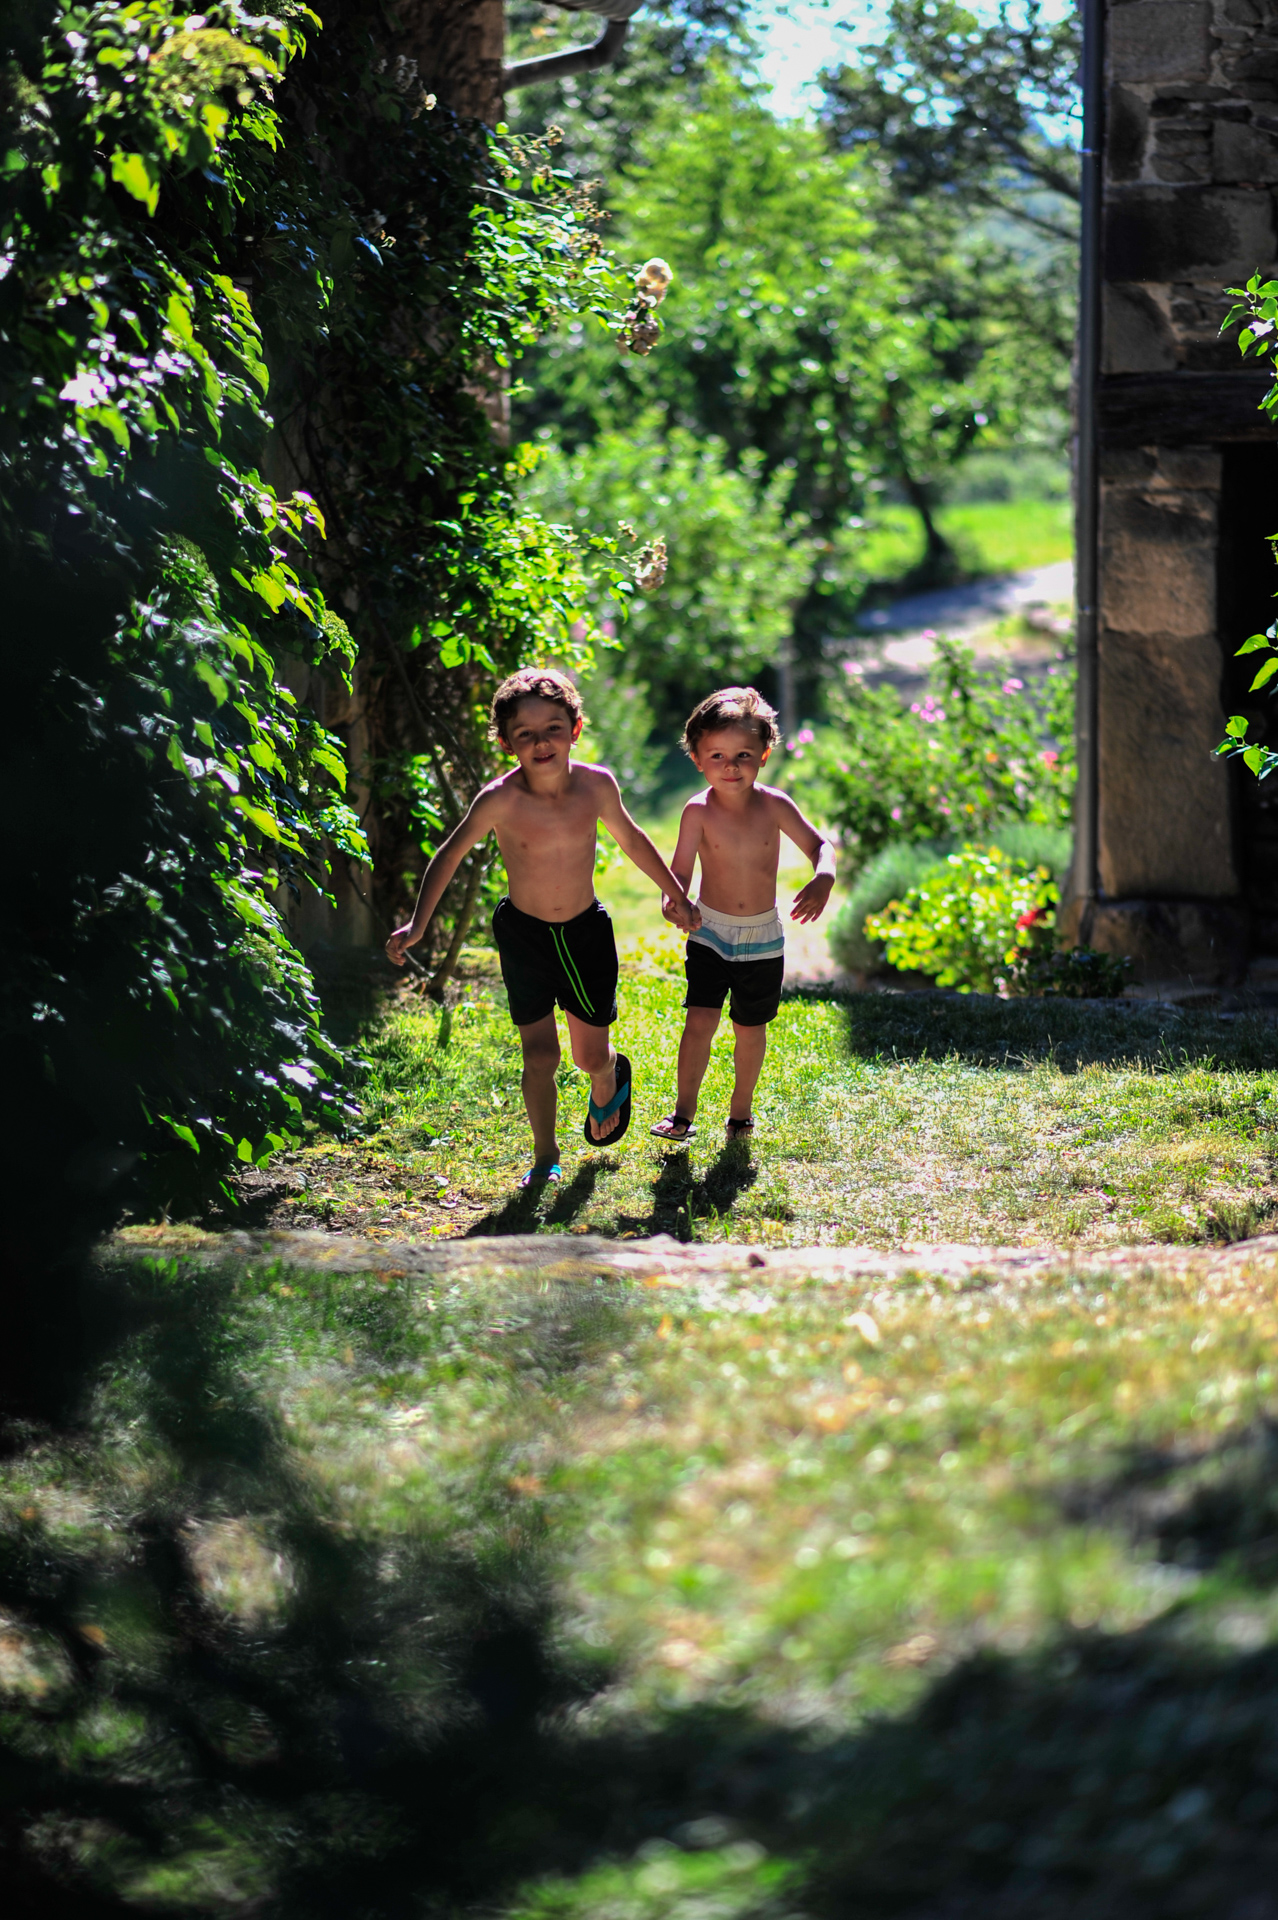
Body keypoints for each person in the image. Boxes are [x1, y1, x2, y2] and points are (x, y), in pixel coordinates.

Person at [386, 667, 699, 1187]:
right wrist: (419, 923)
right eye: (525, 733)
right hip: (524, 935)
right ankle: (545, 1155)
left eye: (553, 727)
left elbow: (633, 838)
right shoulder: (500, 799)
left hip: (584, 935)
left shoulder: (597, 786)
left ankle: (608, 1076)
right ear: (508, 743)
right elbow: (450, 854)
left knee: (587, 1054)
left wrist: (676, 892)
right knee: (540, 1053)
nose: (541, 742)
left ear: (575, 729)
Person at [651, 686, 834, 1143]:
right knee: (699, 1024)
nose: (730, 766)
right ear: (696, 758)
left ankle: (740, 1115)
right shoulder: (697, 812)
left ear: (765, 755)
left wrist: (824, 876)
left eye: (743, 754)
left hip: (762, 937)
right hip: (709, 932)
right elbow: (678, 874)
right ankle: (683, 1115)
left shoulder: (774, 805)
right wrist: (673, 904)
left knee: (749, 1029)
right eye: (717, 755)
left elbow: (820, 847)